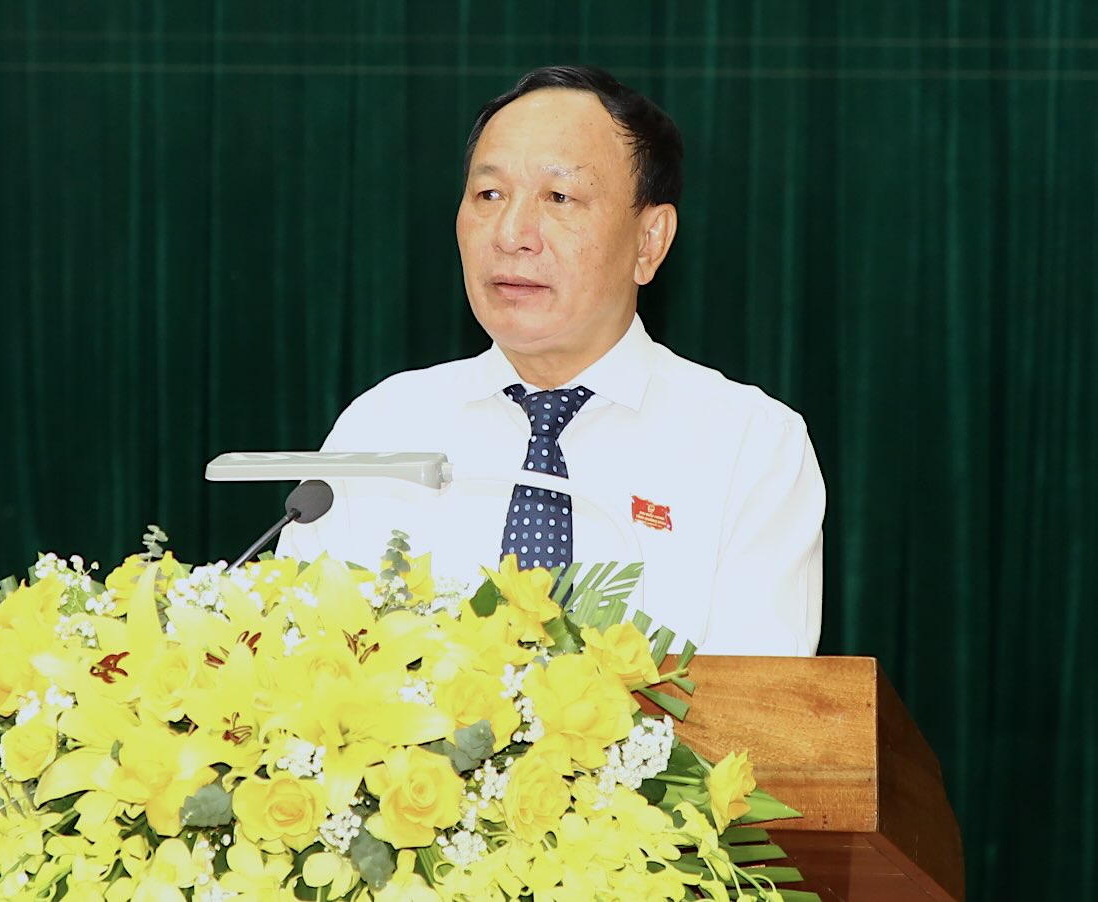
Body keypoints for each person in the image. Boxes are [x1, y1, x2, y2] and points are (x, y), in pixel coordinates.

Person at [278, 65, 824, 655]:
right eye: (489, 195)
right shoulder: (384, 425)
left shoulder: (751, 444)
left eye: (560, 197)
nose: (513, 233)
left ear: (650, 241)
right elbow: (307, 671)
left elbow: (766, 712)